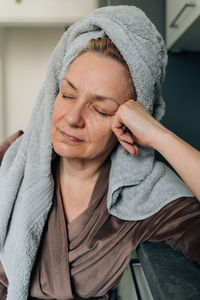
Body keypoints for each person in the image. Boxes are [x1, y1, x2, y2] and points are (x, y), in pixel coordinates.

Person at [0, 5, 200, 300]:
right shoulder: (10, 161)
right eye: (67, 94)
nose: (73, 117)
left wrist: (160, 136)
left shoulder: (146, 198)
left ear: (128, 122)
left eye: (101, 109)